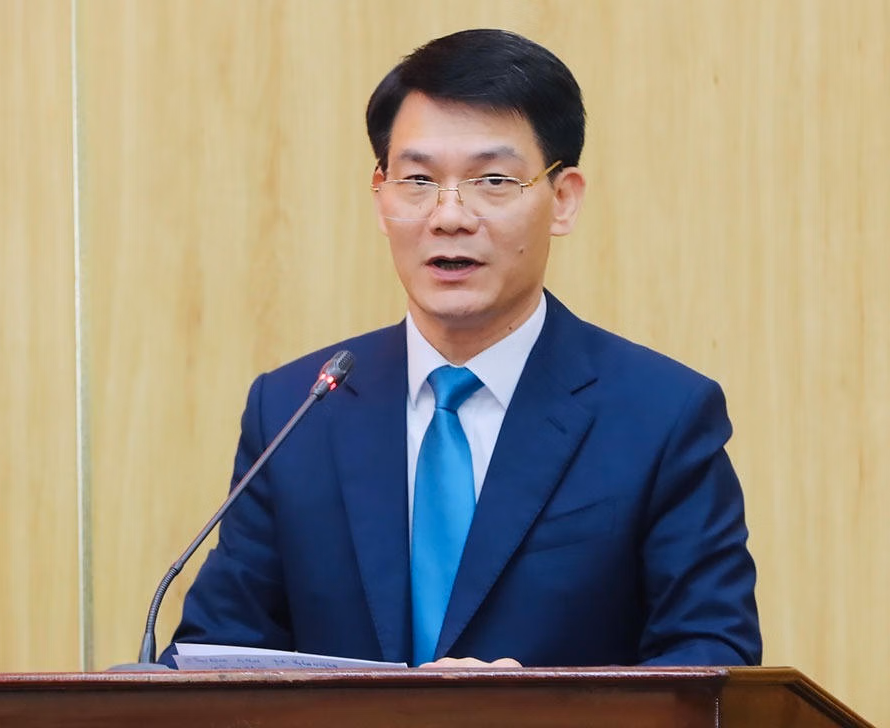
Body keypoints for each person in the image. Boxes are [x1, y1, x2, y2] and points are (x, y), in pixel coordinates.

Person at [160, 28, 761, 668]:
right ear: (380, 195)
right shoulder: (296, 410)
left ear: (563, 200)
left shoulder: (661, 415)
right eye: (418, 180)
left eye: (493, 180)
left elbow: (711, 662)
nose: (449, 216)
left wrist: (533, 710)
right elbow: (214, 657)